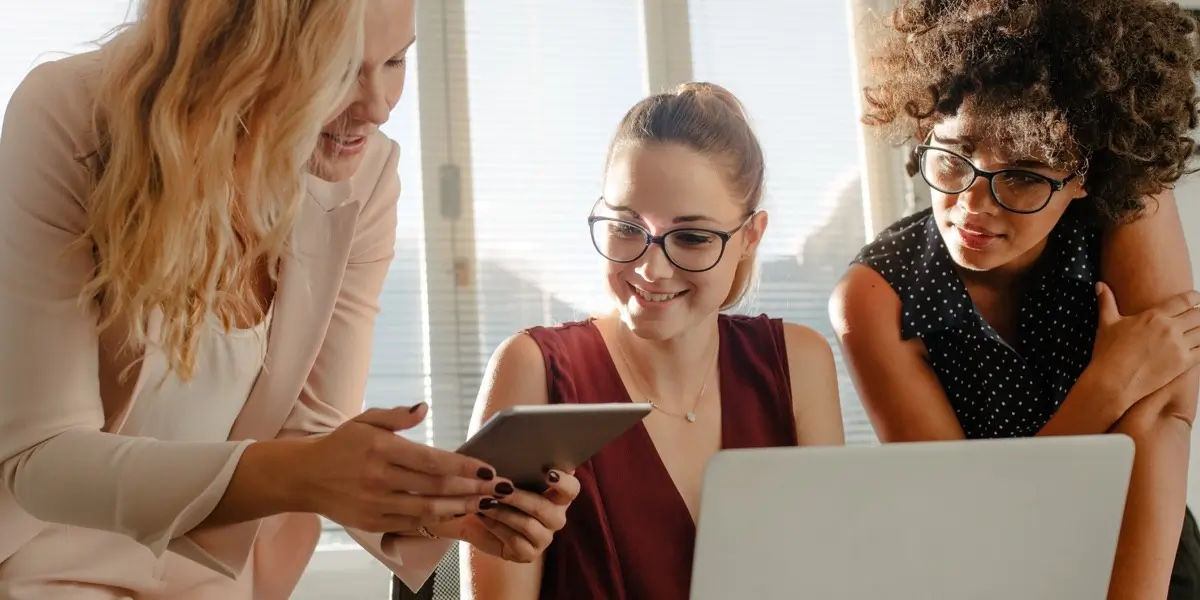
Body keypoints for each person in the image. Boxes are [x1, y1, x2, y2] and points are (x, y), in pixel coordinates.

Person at [0, 1, 578, 598]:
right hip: (39, 563)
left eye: (397, 61)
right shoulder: (71, 114)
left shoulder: (367, 177)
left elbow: (317, 428)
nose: (378, 107)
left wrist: (440, 506)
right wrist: (304, 473)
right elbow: (43, 457)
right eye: (337, 70)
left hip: (217, 578)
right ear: (234, 47)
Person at [829, 1, 1200, 598]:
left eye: (1024, 174)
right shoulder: (876, 295)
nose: (974, 205)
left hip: (1141, 547)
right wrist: (1107, 385)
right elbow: (970, 514)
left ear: (1086, 175)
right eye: (954, 158)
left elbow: (1161, 417)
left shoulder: (1131, 203)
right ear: (926, 131)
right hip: (992, 570)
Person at [464, 82, 846, 600]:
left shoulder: (797, 365)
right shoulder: (533, 369)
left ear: (750, 237)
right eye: (626, 227)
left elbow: (826, 579)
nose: (650, 268)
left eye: (691, 237)